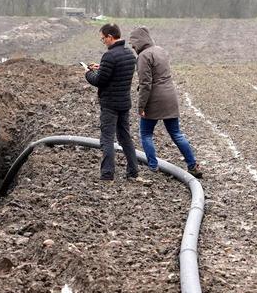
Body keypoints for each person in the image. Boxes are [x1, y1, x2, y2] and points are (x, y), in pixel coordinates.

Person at [128, 26, 202, 178]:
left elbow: (145, 84)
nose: (133, 47)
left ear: (139, 41)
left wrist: (141, 106)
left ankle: (153, 166)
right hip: (170, 96)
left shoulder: (143, 56)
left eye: (133, 43)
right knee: (176, 133)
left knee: (146, 133)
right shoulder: (161, 50)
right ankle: (192, 164)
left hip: (155, 99)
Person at [84, 23, 140, 181]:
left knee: (107, 139)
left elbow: (100, 80)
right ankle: (133, 171)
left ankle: (107, 174)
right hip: (124, 103)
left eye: (103, 39)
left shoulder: (109, 56)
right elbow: (118, 73)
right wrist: (102, 67)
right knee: (125, 138)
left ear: (110, 37)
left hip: (110, 105)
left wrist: (88, 73)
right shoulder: (129, 54)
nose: (103, 42)